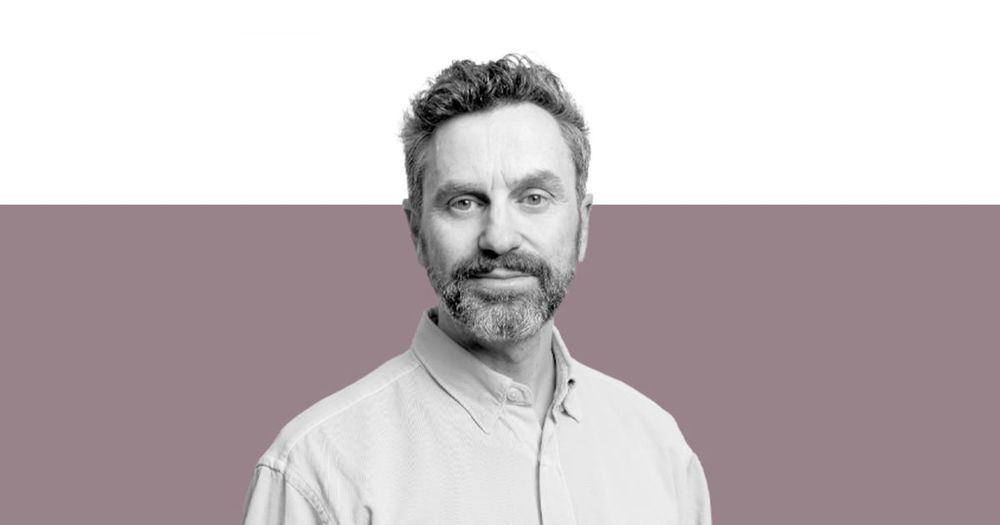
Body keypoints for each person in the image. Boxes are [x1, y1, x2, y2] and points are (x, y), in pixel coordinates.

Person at [242, 54, 711, 524]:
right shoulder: (315, 473)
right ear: (416, 231)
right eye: (464, 202)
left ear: (583, 225)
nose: (499, 238)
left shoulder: (662, 451)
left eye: (534, 198)